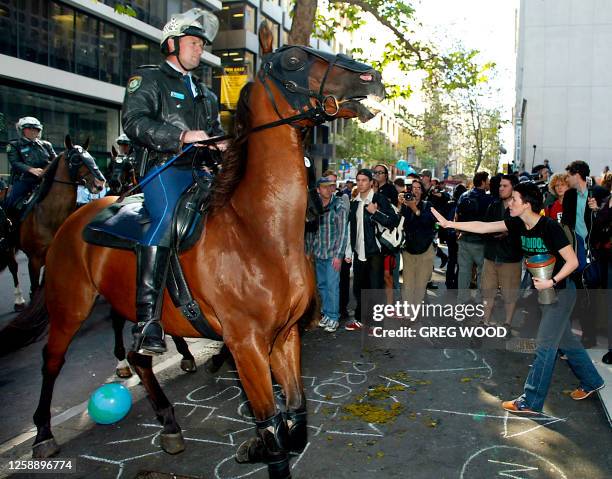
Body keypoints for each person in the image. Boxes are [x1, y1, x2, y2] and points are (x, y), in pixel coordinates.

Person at [432, 182, 604, 415]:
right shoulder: (517, 223)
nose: (510, 203)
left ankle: (531, 401)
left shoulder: (549, 227)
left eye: (514, 199)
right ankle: (592, 380)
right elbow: (484, 227)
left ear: (526, 204)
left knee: (545, 344)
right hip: (546, 291)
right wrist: (450, 223)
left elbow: (572, 262)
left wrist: (551, 282)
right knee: (566, 340)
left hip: (561, 291)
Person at [121, 8, 224, 355]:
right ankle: (147, 320)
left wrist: (222, 142)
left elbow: (214, 134)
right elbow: (133, 122)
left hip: (203, 172)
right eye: (194, 43)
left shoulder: (207, 94)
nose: (199, 50)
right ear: (172, 44)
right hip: (164, 169)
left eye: (201, 45)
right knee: (164, 219)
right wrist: (180, 136)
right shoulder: (148, 80)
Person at [345, 169, 399, 331]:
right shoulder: (354, 202)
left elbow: (393, 221)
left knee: (375, 289)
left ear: (370, 182)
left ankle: (377, 325)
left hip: (375, 251)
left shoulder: (379, 199)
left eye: (364, 180)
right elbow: (350, 229)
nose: (360, 183)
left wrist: (375, 212)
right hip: (358, 251)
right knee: (359, 288)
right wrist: (348, 252)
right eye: (358, 180)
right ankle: (361, 320)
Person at [306, 177, 349, 333]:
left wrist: (338, 255)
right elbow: (310, 230)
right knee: (322, 286)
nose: (328, 189)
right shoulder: (314, 206)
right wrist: (308, 251)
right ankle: (326, 314)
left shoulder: (339, 205)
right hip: (318, 252)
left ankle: (333, 317)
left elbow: (343, 232)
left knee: (332, 286)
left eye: (330, 187)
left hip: (332, 254)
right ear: (318, 189)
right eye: (324, 187)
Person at [481, 175, 522, 328]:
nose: (501, 188)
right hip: (491, 256)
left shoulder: (521, 208)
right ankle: (485, 322)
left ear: (514, 188)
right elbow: (484, 227)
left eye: (505, 186)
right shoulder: (493, 205)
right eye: (500, 186)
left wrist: (509, 233)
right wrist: (493, 233)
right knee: (487, 292)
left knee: (509, 295)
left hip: (511, 258)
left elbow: (525, 230)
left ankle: (507, 323)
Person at [4, 117, 56, 213]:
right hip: (25, 179)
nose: (33, 131)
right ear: (22, 130)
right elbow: (15, 162)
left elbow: (55, 160)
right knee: (10, 202)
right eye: (29, 128)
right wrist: (31, 170)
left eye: (36, 129)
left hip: (45, 179)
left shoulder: (46, 145)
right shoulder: (14, 145)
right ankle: (5, 224)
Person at [456, 171, 493, 303]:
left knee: (464, 272)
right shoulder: (489, 199)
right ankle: (479, 300)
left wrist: (458, 232)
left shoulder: (463, 196)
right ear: (483, 182)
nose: (489, 182)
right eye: (487, 180)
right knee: (482, 273)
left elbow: (457, 216)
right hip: (480, 241)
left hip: (464, 239)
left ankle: (462, 299)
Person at [399, 179, 436, 307]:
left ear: (422, 191)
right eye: (413, 188)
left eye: (418, 188)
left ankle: (415, 311)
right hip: (409, 250)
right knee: (408, 284)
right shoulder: (404, 206)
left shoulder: (428, 205)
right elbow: (397, 223)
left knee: (420, 285)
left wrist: (414, 208)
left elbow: (427, 222)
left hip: (425, 250)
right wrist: (400, 205)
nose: (415, 190)